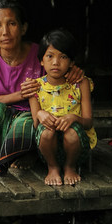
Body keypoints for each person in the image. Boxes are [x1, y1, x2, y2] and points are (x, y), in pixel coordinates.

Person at [0, 0, 84, 176]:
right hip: (2, 117)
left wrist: (74, 72)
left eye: (12, 24)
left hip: (32, 116)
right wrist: (20, 94)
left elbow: (60, 70)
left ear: (23, 28)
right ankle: (0, 152)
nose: (5, 32)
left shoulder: (40, 54)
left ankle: (28, 153)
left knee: (26, 123)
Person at [29, 28, 97, 186]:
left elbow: (88, 122)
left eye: (63, 57)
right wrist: (39, 114)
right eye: (50, 56)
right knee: (46, 132)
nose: (55, 62)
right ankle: (52, 167)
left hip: (77, 148)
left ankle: (70, 167)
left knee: (72, 133)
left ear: (72, 62)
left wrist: (74, 118)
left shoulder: (81, 83)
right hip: (47, 150)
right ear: (41, 60)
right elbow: (35, 124)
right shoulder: (35, 87)